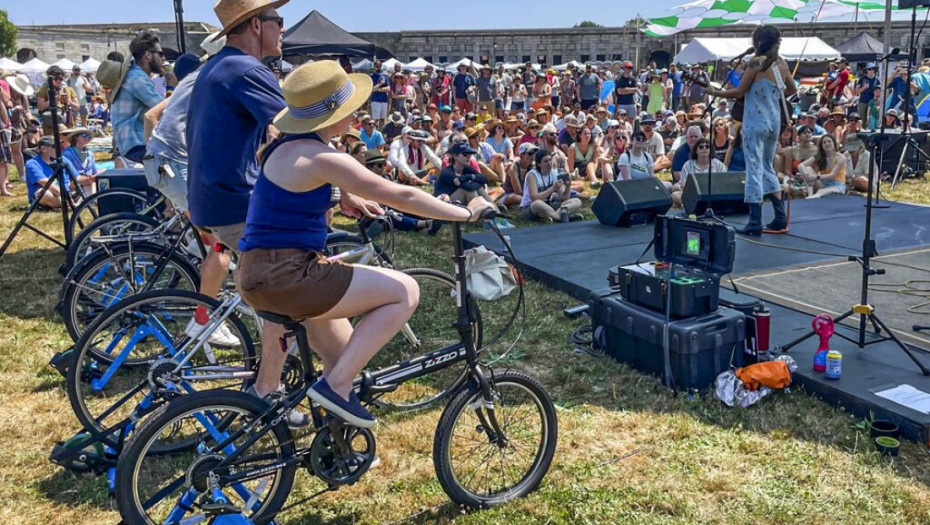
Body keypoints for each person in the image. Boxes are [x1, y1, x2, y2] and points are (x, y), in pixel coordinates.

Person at [236, 61, 494, 428]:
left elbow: (290, 197)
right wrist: (465, 213)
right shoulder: (323, 157)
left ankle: (337, 443)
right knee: (405, 290)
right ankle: (335, 388)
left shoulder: (286, 148)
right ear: (331, 114)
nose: (356, 112)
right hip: (288, 274)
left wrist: (341, 197)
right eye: (349, 106)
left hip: (259, 271)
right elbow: (396, 193)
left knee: (344, 355)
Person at [707, 25, 795, 235]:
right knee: (767, 166)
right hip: (774, 122)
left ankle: (755, 220)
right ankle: (779, 217)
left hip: (755, 122)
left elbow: (738, 92)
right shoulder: (781, 63)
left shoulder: (756, 62)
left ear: (758, 42)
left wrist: (713, 92)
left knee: (754, 168)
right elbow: (792, 89)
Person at [111, 31, 166, 164]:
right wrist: (172, 87)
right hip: (137, 145)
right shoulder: (137, 78)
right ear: (148, 54)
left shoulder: (132, 74)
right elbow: (165, 110)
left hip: (129, 144)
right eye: (160, 54)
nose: (163, 59)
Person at [521, 148, 582, 223]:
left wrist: (568, 186)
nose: (549, 163)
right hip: (530, 207)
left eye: (550, 160)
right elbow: (534, 198)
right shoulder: (532, 175)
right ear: (539, 164)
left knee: (577, 201)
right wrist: (552, 189)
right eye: (546, 161)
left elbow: (564, 198)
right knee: (537, 204)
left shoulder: (554, 173)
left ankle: (554, 217)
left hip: (548, 205)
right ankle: (562, 218)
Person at [672, 138, 727, 206]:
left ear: (710, 150)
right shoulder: (688, 165)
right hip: (693, 195)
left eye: (707, 147)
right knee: (675, 195)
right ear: (696, 151)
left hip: (713, 194)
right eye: (701, 147)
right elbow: (684, 185)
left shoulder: (718, 164)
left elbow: (724, 183)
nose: (704, 148)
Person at [798, 134, 846, 198]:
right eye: (824, 142)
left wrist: (814, 177)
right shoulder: (819, 156)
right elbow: (800, 165)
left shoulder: (841, 158)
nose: (827, 144)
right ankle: (810, 194)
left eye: (829, 141)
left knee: (821, 191)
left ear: (834, 143)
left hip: (837, 185)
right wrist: (807, 176)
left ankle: (812, 197)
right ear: (822, 146)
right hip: (823, 184)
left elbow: (832, 176)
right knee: (808, 169)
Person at [24, 136, 66, 208]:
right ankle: (69, 203)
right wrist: (65, 195)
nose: (59, 149)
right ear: (44, 149)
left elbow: (74, 177)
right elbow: (45, 182)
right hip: (47, 193)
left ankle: (68, 203)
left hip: (63, 192)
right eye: (55, 146)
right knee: (43, 193)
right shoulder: (32, 164)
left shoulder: (61, 160)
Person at [61, 128, 98, 194]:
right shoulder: (67, 154)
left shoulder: (90, 154)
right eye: (84, 135)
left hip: (90, 181)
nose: (86, 138)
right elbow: (68, 176)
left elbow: (95, 172)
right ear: (75, 137)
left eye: (88, 136)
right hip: (75, 183)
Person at [369, 60, 389, 127]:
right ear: (374, 66)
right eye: (377, 66)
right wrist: (380, 84)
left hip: (384, 100)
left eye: (379, 66)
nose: (378, 67)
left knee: (382, 119)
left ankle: (380, 132)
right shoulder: (372, 76)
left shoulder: (385, 76)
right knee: (375, 119)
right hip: (375, 100)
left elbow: (389, 89)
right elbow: (371, 89)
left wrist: (379, 89)